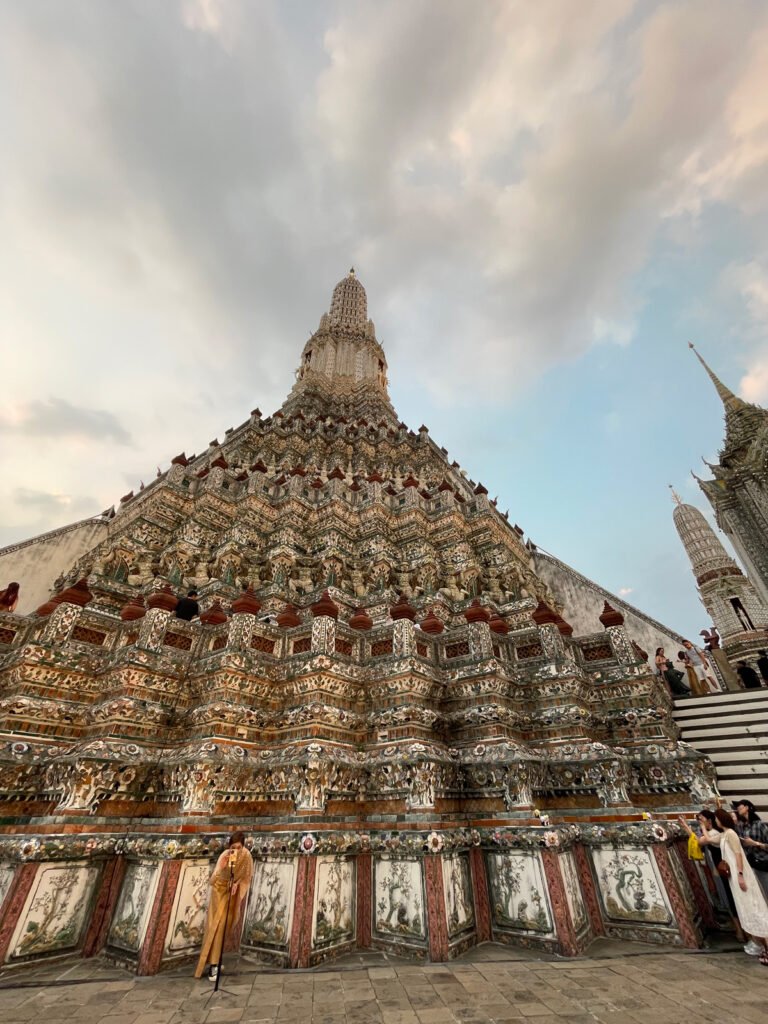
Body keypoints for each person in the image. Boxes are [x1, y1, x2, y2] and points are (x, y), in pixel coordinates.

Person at [698, 807, 768, 964]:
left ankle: (766, 945)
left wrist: (741, 875)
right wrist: (697, 825)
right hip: (734, 878)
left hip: (740, 875)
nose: (715, 821)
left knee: (754, 907)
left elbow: (738, 854)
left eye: (716, 818)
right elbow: (707, 839)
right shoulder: (723, 835)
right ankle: (763, 946)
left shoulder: (730, 834)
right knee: (747, 908)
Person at [678, 810, 746, 946]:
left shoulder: (716, 833)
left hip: (726, 870)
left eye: (702, 819)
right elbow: (698, 839)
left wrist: (693, 826)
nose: (700, 821)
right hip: (719, 870)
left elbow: (702, 840)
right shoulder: (714, 833)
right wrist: (686, 826)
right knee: (727, 899)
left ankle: (741, 930)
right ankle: (738, 928)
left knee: (731, 899)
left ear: (710, 820)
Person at [195, 831, 253, 981]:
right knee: (216, 925)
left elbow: (247, 876)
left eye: (239, 847)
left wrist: (237, 884)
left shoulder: (246, 856)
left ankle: (216, 959)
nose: (236, 850)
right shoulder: (224, 856)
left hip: (232, 893)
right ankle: (212, 966)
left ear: (243, 846)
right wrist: (221, 867)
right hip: (219, 891)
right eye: (233, 847)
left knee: (227, 925)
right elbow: (212, 880)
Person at [732, 799, 768, 902]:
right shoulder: (741, 826)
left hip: (762, 863)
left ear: (747, 807)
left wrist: (755, 843)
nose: (738, 808)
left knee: (766, 891)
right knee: (758, 895)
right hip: (750, 864)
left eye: (740, 806)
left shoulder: (759, 824)